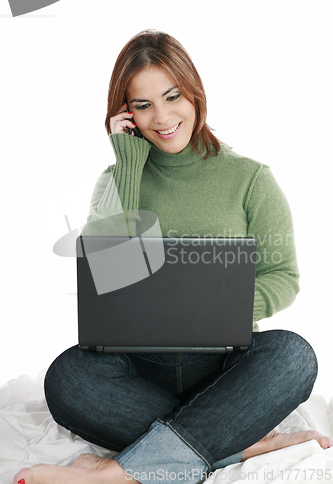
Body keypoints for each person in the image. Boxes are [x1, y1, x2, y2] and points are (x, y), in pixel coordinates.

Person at [14, 30, 332, 484]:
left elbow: (283, 278)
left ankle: (113, 473)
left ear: (194, 91)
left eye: (172, 96)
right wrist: (126, 166)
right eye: (142, 105)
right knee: (68, 378)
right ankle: (237, 443)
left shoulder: (250, 179)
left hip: (224, 365)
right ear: (126, 114)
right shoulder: (115, 181)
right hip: (142, 367)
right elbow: (108, 278)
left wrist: (215, 308)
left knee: (294, 355)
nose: (162, 117)